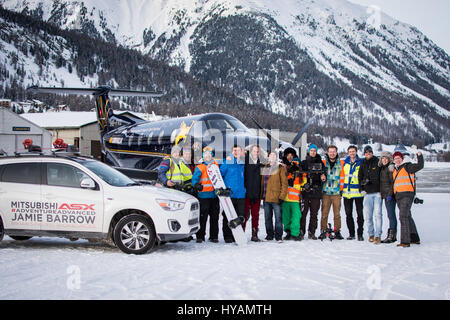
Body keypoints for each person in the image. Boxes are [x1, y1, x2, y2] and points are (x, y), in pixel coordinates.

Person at [392, 151, 424, 247]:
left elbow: (420, 165)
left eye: (398, 158)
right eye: (395, 159)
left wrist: (419, 156)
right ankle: (414, 238)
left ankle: (405, 241)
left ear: (402, 159)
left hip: (407, 195)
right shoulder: (395, 170)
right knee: (407, 216)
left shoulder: (408, 166)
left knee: (403, 216)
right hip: (398, 196)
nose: (397, 160)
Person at [192, 147, 219, 243]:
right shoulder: (200, 167)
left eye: (209, 154)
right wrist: (196, 185)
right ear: (203, 156)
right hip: (203, 196)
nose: (208, 156)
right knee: (203, 217)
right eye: (206, 154)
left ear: (212, 155)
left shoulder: (216, 165)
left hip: (214, 196)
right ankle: (200, 236)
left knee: (215, 217)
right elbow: (194, 179)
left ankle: (214, 236)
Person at [220, 145, 246, 243]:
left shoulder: (242, 164)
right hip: (229, 195)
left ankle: (238, 235)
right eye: (234, 150)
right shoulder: (227, 162)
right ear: (231, 151)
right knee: (228, 216)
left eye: (238, 150)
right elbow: (219, 174)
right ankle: (228, 236)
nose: (236, 152)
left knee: (241, 216)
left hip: (241, 195)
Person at [260, 151, 288, 242]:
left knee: (278, 218)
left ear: (276, 157)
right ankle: (269, 235)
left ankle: (278, 236)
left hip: (276, 198)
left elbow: (284, 184)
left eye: (274, 155)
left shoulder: (280, 168)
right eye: (270, 155)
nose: (272, 157)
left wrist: (282, 197)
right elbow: (262, 183)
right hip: (266, 197)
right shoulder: (265, 167)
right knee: (267, 218)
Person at [300, 144, 326, 240]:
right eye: (311, 151)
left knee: (314, 214)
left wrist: (323, 176)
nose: (313, 152)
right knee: (303, 213)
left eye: (314, 151)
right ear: (309, 151)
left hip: (316, 192)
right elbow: (299, 175)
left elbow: (324, 174)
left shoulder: (320, 163)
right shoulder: (303, 163)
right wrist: (304, 183)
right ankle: (301, 232)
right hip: (305, 192)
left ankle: (312, 232)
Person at [320, 145, 345, 240]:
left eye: (334, 151)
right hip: (326, 192)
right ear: (327, 152)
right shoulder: (323, 162)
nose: (332, 153)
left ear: (336, 152)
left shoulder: (341, 163)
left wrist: (342, 189)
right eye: (330, 151)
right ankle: (323, 230)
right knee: (324, 213)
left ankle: (337, 231)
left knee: (337, 214)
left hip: (336, 193)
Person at [359, 146, 382, 244]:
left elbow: (383, 172)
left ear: (372, 153)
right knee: (368, 216)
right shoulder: (363, 163)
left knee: (378, 215)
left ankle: (378, 235)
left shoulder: (377, 162)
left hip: (377, 193)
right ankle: (371, 234)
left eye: (369, 152)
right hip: (367, 193)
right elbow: (359, 177)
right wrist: (361, 189)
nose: (368, 154)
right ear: (364, 154)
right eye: (366, 152)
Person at [343, 145, 364, 241]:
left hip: (358, 193)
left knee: (359, 214)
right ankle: (351, 233)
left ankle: (360, 234)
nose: (352, 153)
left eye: (353, 151)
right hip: (347, 193)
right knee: (348, 214)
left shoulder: (361, 162)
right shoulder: (345, 163)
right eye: (350, 151)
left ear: (356, 152)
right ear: (348, 152)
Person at [281, 148, 303, 241]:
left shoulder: (298, 167)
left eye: (291, 155)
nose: (290, 156)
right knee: (286, 217)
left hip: (295, 197)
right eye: (288, 155)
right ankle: (288, 232)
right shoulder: (282, 167)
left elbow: (303, 179)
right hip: (285, 197)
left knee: (296, 216)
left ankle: (295, 233)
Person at [244, 145, 263, 242]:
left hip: (256, 194)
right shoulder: (245, 161)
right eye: (254, 151)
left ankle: (254, 234)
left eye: (257, 151)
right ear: (251, 152)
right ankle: (241, 234)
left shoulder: (261, 163)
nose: (256, 153)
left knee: (255, 215)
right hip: (246, 194)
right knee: (244, 214)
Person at [379, 151, 397, 243]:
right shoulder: (382, 168)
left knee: (391, 215)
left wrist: (390, 195)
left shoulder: (390, 168)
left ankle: (392, 235)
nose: (384, 160)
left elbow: (392, 183)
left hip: (389, 196)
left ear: (389, 159)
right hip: (384, 195)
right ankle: (391, 235)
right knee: (390, 215)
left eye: (386, 158)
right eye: (383, 158)